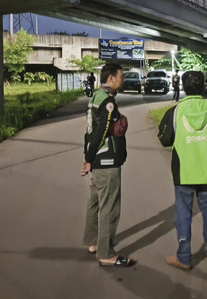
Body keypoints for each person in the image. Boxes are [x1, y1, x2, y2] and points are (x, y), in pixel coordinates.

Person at [158, 71, 207, 270]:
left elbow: (165, 139)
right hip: (206, 170)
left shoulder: (176, 111)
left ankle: (184, 258)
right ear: (203, 86)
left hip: (183, 172)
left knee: (183, 214)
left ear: (183, 88)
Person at [82, 63, 135, 267]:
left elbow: (88, 130)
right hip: (107, 160)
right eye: (121, 76)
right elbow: (100, 133)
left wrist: (87, 157)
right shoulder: (108, 103)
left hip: (97, 160)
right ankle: (106, 253)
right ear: (111, 78)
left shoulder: (95, 97)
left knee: (94, 202)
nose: (123, 79)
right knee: (109, 208)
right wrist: (89, 157)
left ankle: (93, 242)